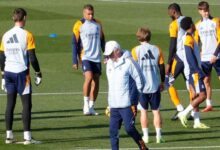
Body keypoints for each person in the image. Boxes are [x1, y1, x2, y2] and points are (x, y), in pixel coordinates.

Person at [0, 8, 42, 144]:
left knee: (10, 104)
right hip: (22, 74)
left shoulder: (5, 35)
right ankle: (27, 138)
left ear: (13, 18)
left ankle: (9, 136)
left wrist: (2, 75)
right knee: (26, 105)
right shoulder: (27, 35)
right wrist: (38, 72)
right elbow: (32, 57)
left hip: (8, 72)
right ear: (24, 18)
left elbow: (1, 57)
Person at [104, 41, 148, 150]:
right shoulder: (109, 63)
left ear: (117, 50)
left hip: (127, 105)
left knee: (129, 128)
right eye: (107, 55)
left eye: (110, 54)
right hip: (114, 105)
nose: (109, 56)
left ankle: (142, 146)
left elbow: (141, 80)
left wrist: (135, 100)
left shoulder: (129, 62)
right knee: (113, 132)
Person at [131, 27, 165, 143]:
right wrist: (162, 81)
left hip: (141, 87)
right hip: (155, 85)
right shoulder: (157, 49)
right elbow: (161, 67)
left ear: (139, 37)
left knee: (143, 111)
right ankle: (159, 136)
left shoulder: (135, 50)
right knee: (156, 111)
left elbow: (134, 69)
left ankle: (145, 136)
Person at [72, 4, 105, 115]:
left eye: (92, 14)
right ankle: (85, 105)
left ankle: (91, 106)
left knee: (96, 81)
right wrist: (75, 60)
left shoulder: (98, 24)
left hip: (97, 57)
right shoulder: (79, 25)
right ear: (84, 13)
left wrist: (106, 55)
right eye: (88, 14)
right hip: (85, 56)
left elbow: (102, 40)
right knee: (89, 77)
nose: (90, 16)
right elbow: (74, 43)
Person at [177, 16, 210, 128]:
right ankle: (184, 113)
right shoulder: (188, 39)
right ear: (191, 25)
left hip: (192, 71)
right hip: (194, 71)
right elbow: (189, 56)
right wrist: (198, 71)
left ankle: (196, 122)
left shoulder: (189, 37)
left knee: (195, 96)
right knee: (203, 95)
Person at [194, 1, 220, 112]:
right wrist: (199, 52)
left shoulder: (216, 21)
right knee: (206, 81)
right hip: (204, 58)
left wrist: (215, 54)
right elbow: (195, 42)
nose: (206, 12)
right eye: (204, 11)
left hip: (217, 56)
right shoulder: (197, 25)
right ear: (199, 11)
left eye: (207, 10)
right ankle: (209, 104)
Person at [165, 3, 187, 121]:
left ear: (173, 12)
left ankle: (180, 109)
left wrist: (169, 62)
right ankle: (193, 111)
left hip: (179, 58)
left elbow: (172, 45)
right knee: (190, 84)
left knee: (168, 82)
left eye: (169, 13)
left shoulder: (174, 24)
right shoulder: (189, 21)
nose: (169, 15)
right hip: (189, 58)